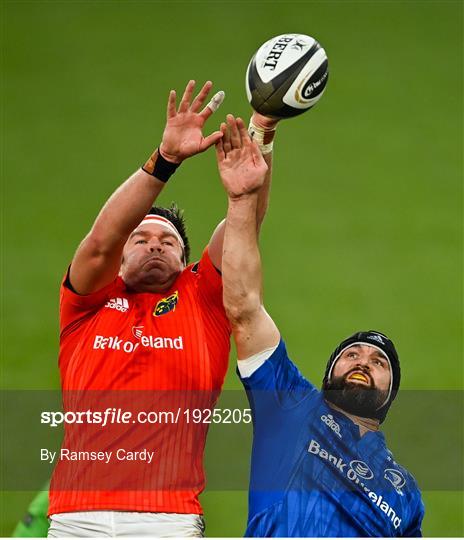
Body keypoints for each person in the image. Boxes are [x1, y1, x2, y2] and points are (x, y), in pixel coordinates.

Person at [47, 81, 279, 537]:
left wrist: (262, 133)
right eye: (141, 238)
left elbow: (244, 226)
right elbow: (99, 242)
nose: (154, 245)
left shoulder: (204, 299)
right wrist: (166, 159)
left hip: (167, 519)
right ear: (121, 255)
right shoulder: (86, 302)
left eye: (167, 241)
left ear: (185, 259)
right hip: (75, 517)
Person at [216, 116, 425, 537]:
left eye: (379, 361)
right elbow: (244, 307)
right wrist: (242, 201)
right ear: (328, 373)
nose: (362, 361)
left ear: (392, 392)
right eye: (351, 354)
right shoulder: (290, 402)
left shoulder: (406, 494)